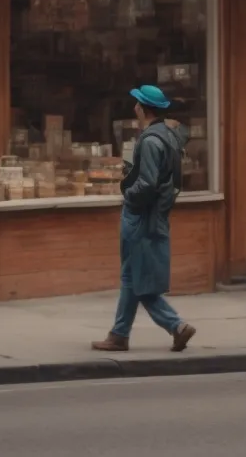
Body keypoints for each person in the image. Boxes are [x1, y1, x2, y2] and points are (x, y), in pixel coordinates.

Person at [92, 85, 197, 353]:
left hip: (140, 216)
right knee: (132, 274)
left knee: (135, 276)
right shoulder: (168, 136)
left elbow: (148, 183)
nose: (134, 107)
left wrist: (129, 195)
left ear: (142, 107)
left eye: (136, 103)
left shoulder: (150, 141)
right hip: (153, 215)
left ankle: (175, 325)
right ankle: (119, 334)